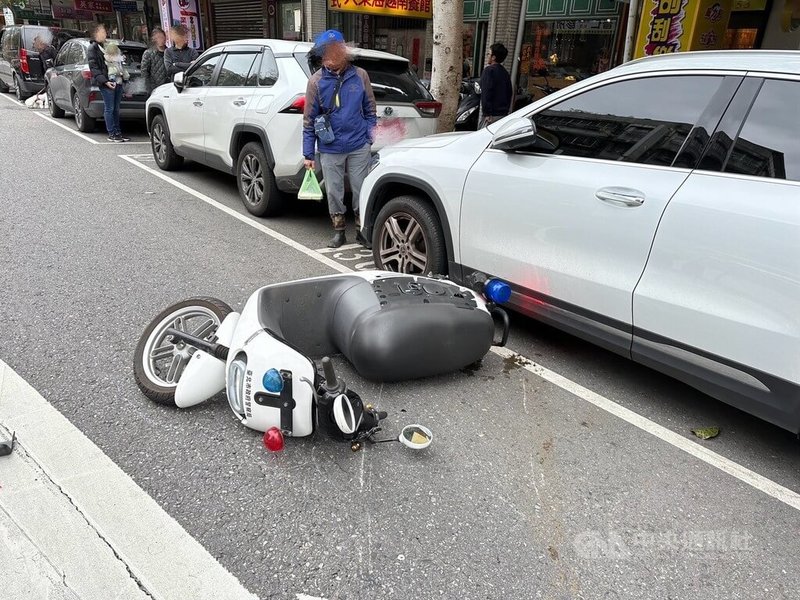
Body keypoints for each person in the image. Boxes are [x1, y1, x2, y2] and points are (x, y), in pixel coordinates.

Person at [302, 30, 377, 249]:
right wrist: (308, 154)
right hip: (330, 146)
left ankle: (362, 231)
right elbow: (309, 120)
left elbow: (370, 109)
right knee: (334, 191)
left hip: (358, 144)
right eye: (325, 53)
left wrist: (369, 138)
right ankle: (339, 231)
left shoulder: (360, 75)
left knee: (361, 189)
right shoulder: (316, 82)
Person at [87, 23, 130, 143]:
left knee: (116, 109)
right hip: (107, 82)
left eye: (105, 31)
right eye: (102, 32)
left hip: (118, 80)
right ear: (96, 34)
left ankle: (118, 132)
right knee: (109, 108)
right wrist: (105, 81)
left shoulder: (109, 45)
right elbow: (94, 68)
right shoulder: (93, 48)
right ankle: (112, 133)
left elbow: (117, 59)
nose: (105, 33)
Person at [479, 43, 512, 127]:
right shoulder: (505, 73)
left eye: (488, 54)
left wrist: (487, 113)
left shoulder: (489, 71)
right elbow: (509, 93)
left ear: (493, 57)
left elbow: (486, 93)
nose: (487, 56)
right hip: (503, 115)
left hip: (491, 116)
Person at [141, 28, 169, 94]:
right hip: (155, 88)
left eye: (162, 37)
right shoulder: (148, 53)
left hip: (169, 86)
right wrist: (148, 88)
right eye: (158, 37)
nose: (160, 39)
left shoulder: (170, 52)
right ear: (154, 39)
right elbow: (144, 72)